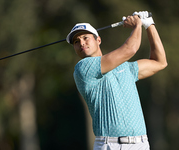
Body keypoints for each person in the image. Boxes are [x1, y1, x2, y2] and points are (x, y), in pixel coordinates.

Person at [66, 11, 167, 150]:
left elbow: (160, 62)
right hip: (110, 145)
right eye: (76, 42)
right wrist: (138, 24)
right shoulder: (83, 68)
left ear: (98, 40)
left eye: (85, 38)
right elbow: (130, 49)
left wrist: (149, 24)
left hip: (141, 144)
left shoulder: (126, 68)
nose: (81, 43)